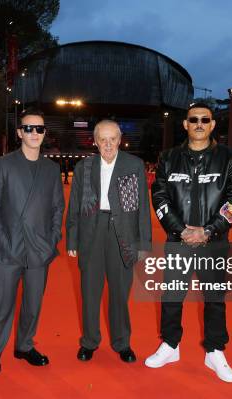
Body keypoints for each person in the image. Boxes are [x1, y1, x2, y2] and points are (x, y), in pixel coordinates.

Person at [147, 102, 232, 383]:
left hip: (214, 242)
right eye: (194, 119)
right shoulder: (167, 158)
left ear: (213, 124)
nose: (199, 123)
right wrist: (180, 231)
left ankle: (214, 351)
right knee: (172, 296)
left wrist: (209, 230)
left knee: (214, 298)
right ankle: (170, 345)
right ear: (186, 125)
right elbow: (160, 197)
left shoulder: (230, 158)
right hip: (177, 241)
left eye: (205, 119)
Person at [0, 108, 65, 390]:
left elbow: (58, 208)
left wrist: (52, 240)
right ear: (19, 132)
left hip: (40, 250)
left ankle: (24, 346)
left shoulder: (51, 169)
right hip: (9, 248)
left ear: (44, 133)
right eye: (29, 128)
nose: (34, 133)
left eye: (39, 129)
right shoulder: (5, 164)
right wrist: (1, 240)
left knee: (33, 305)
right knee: (0, 307)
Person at [66, 119, 152, 363]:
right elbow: (74, 207)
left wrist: (143, 243)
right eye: (102, 139)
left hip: (122, 233)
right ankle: (90, 341)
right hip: (91, 232)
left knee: (119, 293)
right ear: (95, 141)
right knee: (90, 292)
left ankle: (122, 342)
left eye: (112, 138)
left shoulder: (133, 165)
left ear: (119, 139)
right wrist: (72, 240)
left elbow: (142, 208)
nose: (107, 144)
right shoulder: (84, 167)